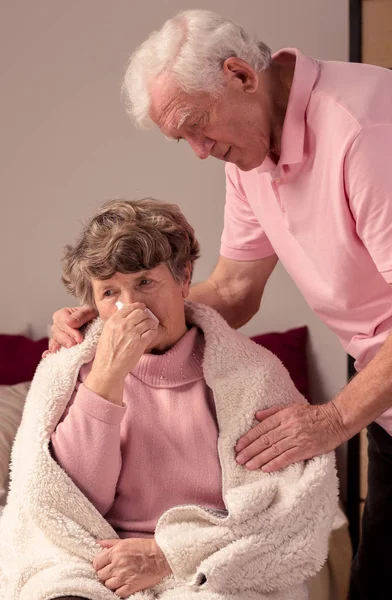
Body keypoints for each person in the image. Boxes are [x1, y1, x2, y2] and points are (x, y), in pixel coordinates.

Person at [47, 10, 392, 599]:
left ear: (240, 75)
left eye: (196, 127)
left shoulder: (367, 127)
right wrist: (110, 328)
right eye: (183, 139)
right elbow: (233, 289)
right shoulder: (252, 153)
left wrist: (334, 419)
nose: (200, 152)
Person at [0, 198, 337, 600]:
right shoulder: (72, 371)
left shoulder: (251, 376)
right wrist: (108, 375)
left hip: (206, 564)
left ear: (183, 278)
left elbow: (284, 510)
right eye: (110, 292)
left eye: (145, 282)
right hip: (93, 564)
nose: (131, 306)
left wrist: (172, 554)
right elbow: (67, 505)